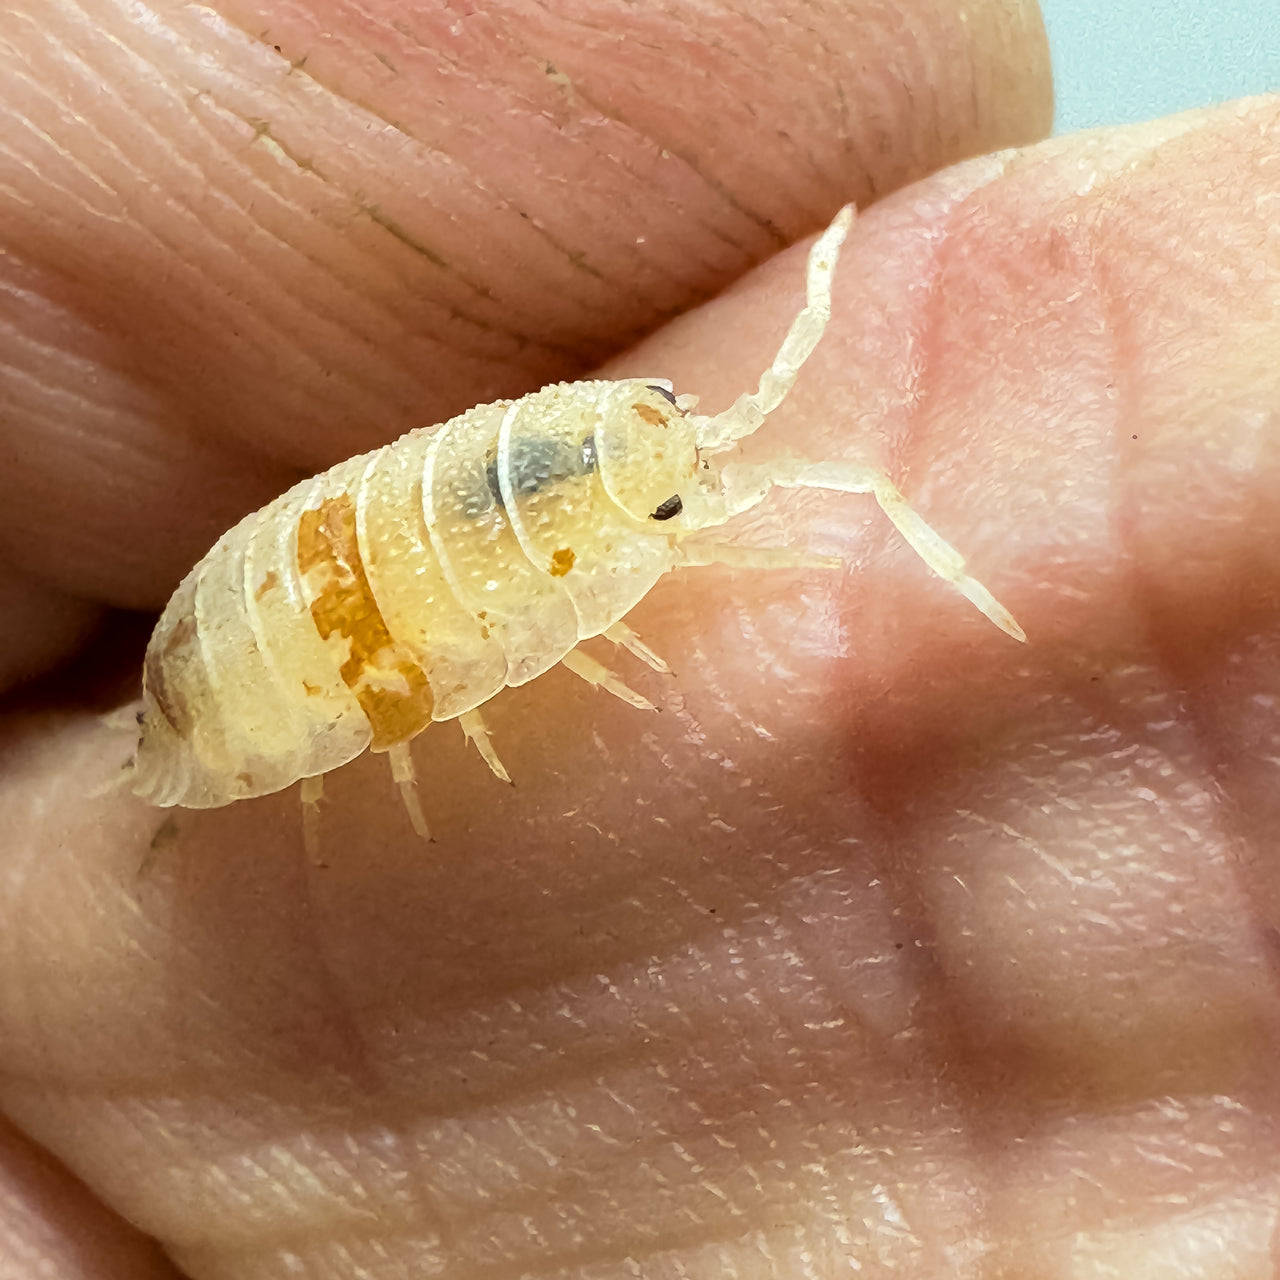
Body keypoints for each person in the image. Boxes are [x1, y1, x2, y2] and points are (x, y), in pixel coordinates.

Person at [2, 1, 1278, 1274]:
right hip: (243, 652)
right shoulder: (587, 553)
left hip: (282, 613)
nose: (692, 474)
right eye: (671, 488)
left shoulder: (569, 507)